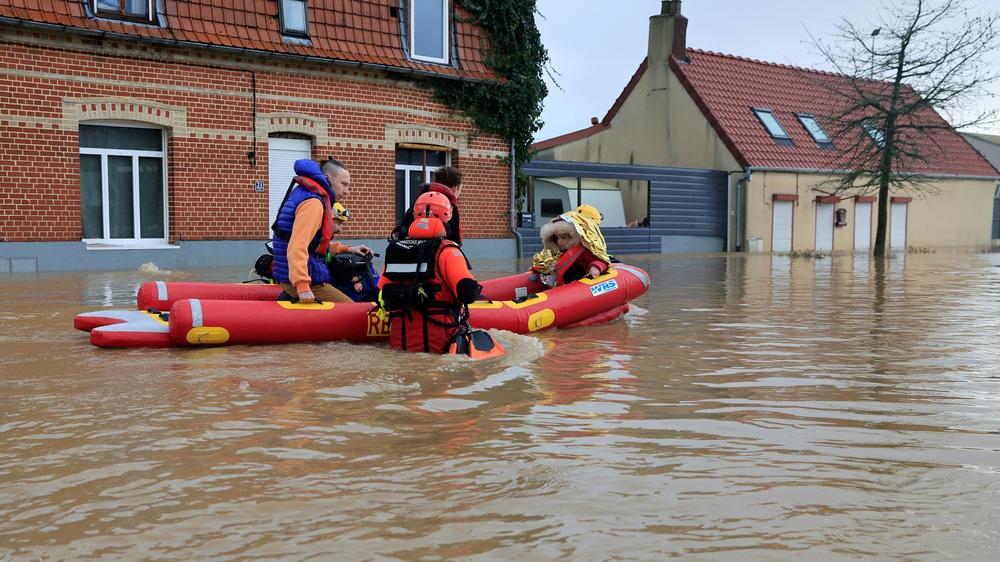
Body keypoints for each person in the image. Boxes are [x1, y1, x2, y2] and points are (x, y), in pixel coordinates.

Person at [377, 191, 499, 355]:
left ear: (415, 215)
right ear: (447, 216)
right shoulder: (448, 251)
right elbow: (467, 292)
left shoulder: (395, 249)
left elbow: (379, 291)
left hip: (401, 342)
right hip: (439, 342)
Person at [271, 157, 372, 304]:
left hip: (291, 275)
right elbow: (297, 245)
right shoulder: (314, 202)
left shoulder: (304, 192)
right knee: (351, 311)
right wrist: (303, 286)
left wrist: (348, 249)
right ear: (327, 178)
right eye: (343, 184)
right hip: (303, 281)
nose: (347, 191)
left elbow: (314, 244)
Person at [531, 204, 611, 287]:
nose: (559, 241)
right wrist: (537, 267)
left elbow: (601, 261)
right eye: (557, 238)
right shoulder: (557, 252)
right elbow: (547, 262)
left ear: (574, 237)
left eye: (563, 237)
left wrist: (595, 267)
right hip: (560, 285)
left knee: (575, 269)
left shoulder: (584, 251)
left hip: (578, 284)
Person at [390, 165, 464, 244]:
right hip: (437, 251)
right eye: (460, 189)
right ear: (455, 188)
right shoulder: (449, 206)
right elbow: (455, 240)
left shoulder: (422, 198)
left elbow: (405, 225)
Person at [326, 202, 381, 301]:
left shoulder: (323, 241)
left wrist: (351, 249)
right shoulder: (314, 240)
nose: (340, 229)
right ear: (326, 219)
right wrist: (353, 277)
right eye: (338, 222)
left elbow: (330, 247)